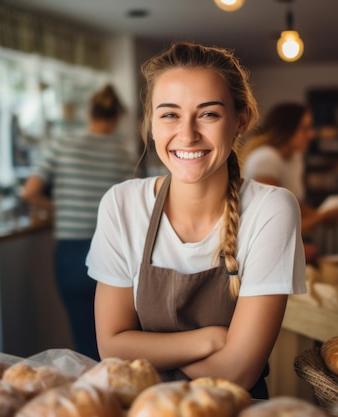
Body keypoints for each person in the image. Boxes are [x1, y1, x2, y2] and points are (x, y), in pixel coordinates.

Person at [86, 42, 306, 399]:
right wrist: (212, 339)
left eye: (208, 114)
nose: (187, 135)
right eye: (170, 114)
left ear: (241, 120)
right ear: (152, 124)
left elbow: (237, 371)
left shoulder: (272, 209)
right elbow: (111, 348)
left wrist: (152, 350)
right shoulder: (121, 204)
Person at [20, 84, 135, 361]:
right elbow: (134, 207)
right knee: (118, 340)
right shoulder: (125, 154)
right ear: (117, 118)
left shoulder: (62, 143)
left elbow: (29, 192)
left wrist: (61, 208)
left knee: (84, 340)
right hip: (113, 252)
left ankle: (92, 397)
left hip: (70, 254)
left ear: (88, 113)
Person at [238, 103, 338, 261]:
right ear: (287, 130)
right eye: (305, 129)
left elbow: (294, 204)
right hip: (265, 253)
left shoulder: (294, 158)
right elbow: (273, 223)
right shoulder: (265, 159)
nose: (311, 134)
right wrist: (321, 218)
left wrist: (321, 214)